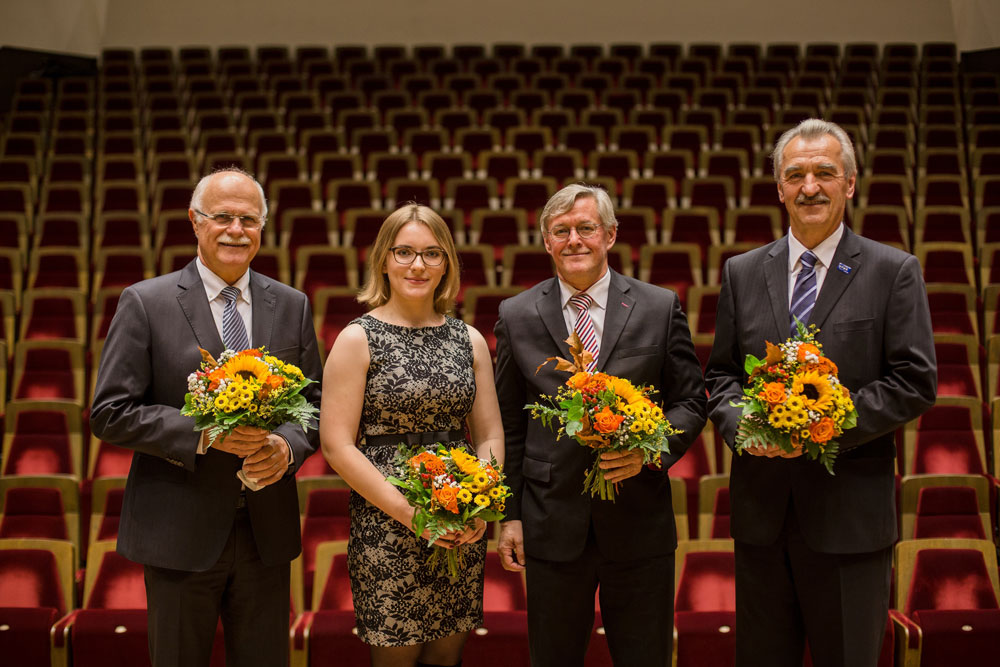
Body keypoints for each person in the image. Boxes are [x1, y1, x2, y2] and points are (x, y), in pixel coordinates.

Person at [705, 118, 938, 667]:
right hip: (763, 518)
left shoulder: (892, 270)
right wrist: (746, 427)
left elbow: (914, 380)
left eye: (824, 173)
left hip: (849, 519)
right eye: (796, 175)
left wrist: (822, 426)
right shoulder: (741, 272)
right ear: (780, 188)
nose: (810, 186)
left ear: (850, 184)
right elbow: (720, 377)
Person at [90, 168, 322, 667]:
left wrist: (287, 446)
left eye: (249, 219)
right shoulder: (145, 302)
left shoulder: (292, 305)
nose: (236, 229)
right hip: (178, 531)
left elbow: (315, 403)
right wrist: (204, 434)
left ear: (263, 227)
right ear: (195, 222)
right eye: (222, 217)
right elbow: (110, 412)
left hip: (265, 533)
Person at [493, 183, 707, 666]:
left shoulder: (658, 306)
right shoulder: (517, 314)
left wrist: (650, 450)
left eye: (586, 228)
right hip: (550, 522)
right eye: (561, 230)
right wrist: (510, 515)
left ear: (610, 235)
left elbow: (691, 400)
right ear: (546, 241)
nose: (574, 240)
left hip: (639, 522)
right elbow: (508, 422)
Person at [319, 203, 504, 667]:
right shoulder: (357, 338)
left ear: (447, 264)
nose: (418, 265)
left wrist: (480, 504)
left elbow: (489, 435)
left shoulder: (470, 340)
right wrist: (412, 514)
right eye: (404, 252)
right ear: (384, 258)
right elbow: (336, 445)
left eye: (432, 254)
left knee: (447, 658)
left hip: (459, 526)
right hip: (387, 525)